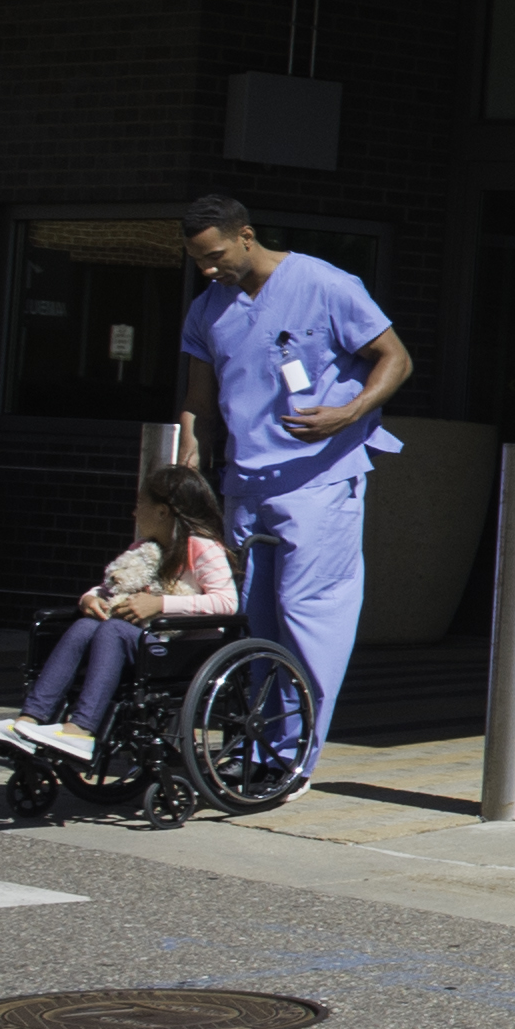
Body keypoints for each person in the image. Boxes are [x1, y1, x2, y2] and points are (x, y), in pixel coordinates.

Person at [174, 193, 411, 757]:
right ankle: (257, 746)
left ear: (247, 235)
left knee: (309, 620)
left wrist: (348, 413)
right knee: (255, 626)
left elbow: (394, 357)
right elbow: (199, 401)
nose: (209, 269)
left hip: (320, 482)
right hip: (246, 487)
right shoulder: (209, 308)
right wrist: (189, 450)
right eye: (198, 261)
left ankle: (291, 756)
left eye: (216, 255)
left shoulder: (323, 283)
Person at [0, 464, 237, 778]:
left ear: (163, 511)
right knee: (86, 625)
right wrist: (90, 597)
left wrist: (161, 604)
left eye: (141, 504)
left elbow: (227, 602)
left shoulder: (203, 549)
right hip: (137, 643)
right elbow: (113, 585)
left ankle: (80, 730)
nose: (134, 512)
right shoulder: (143, 549)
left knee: (111, 629)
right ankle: (29, 722)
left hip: (179, 651)